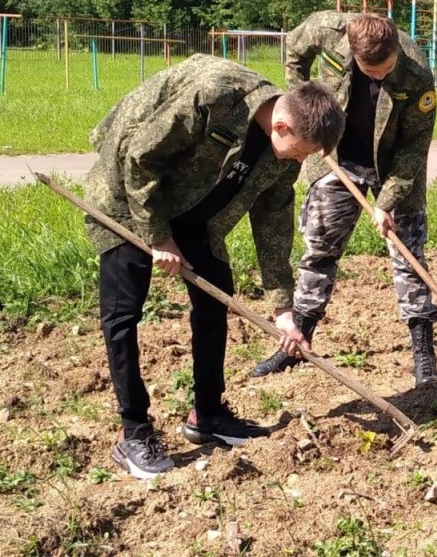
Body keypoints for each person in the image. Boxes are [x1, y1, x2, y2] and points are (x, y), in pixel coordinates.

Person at [84, 54, 344, 479]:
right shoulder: (216, 96)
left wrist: (282, 308)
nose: (298, 162)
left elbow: (273, 224)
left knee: (215, 293)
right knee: (123, 311)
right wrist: (156, 236)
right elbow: (139, 156)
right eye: (299, 152)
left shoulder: (283, 156)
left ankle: (207, 415)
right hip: (128, 196)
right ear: (282, 126)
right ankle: (132, 431)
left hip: (190, 207)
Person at [251, 11, 437, 387]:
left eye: (388, 69)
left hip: (394, 170)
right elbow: (294, 51)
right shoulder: (329, 30)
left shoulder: (417, 73)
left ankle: (423, 350)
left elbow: (413, 151)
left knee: (408, 254)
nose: (382, 76)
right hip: (337, 159)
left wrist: (386, 201)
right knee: (319, 250)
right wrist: (304, 113)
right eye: (373, 72)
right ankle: (297, 339)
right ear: (354, 54)